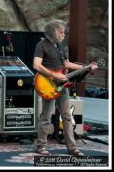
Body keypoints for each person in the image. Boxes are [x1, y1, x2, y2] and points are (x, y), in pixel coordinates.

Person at [33, 19, 98, 156]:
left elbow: (66, 64)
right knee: (46, 116)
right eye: (61, 32)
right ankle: (41, 146)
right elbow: (36, 65)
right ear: (54, 32)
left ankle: (72, 148)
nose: (64, 35)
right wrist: (54, 76)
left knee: (67, 117)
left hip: (62, 86)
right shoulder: (41, 45)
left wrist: (86, 67)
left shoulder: (60, 46)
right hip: (48, 85)